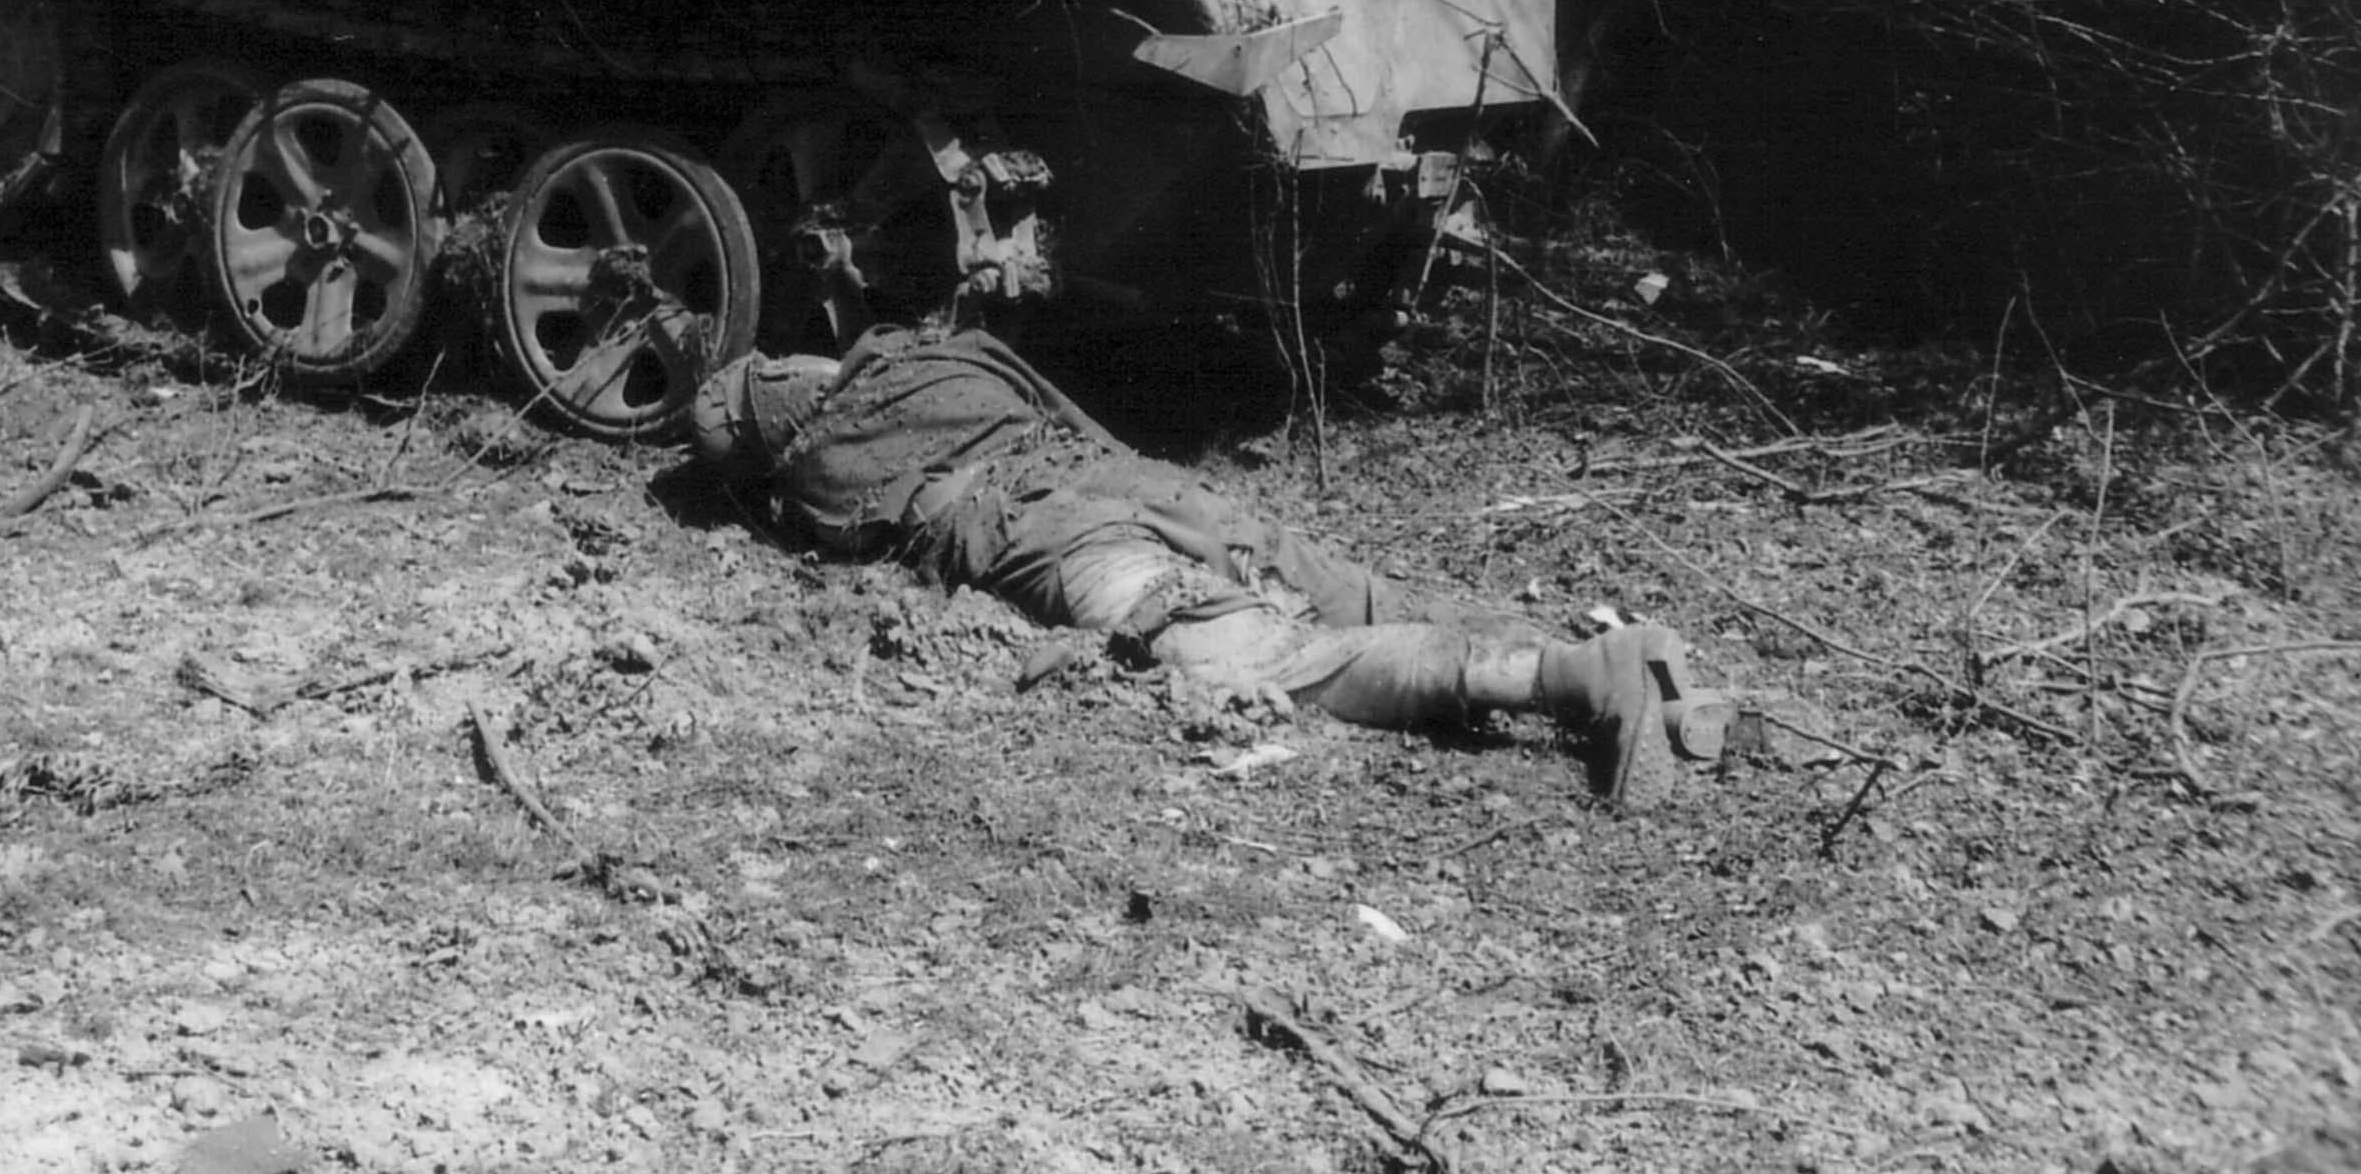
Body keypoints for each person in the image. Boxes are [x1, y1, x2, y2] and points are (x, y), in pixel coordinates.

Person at [683, 328, 1728, 805]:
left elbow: (842, 526)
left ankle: (1572, 676)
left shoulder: (817, 464)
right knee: (1351, 589)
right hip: (1137, 479)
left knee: (1263, 658)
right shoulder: (932, 350)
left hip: (1059, 536)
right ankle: (1646, 678)